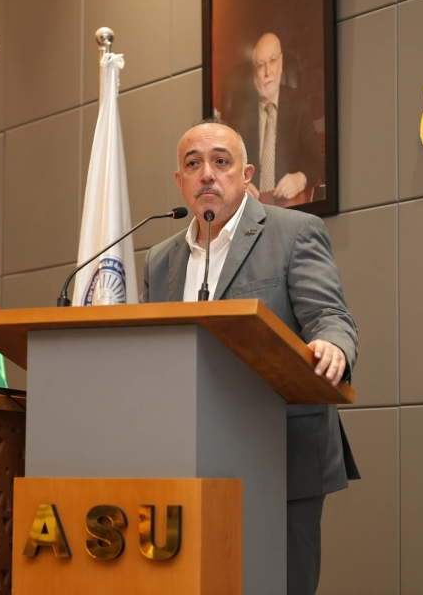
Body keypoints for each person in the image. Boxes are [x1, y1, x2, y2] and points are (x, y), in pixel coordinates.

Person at [141, 119, 359, 595]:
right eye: (193, 164)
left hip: (282, 453)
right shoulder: (159, 260)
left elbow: (329, 316)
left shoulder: (294, 231)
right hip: (186, 457)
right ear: (179, 181)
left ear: (246, 175)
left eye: (221, 161)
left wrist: (333, 347)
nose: (207, 174)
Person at [224, 32, 323, 201]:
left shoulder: (299, 103)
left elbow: (315, 159)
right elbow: (225, 163)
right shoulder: (239, 111)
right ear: (254, 72)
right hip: (251, 206)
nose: (268, 72)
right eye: (261, 65)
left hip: (289, 203)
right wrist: (239, 184)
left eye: (273, 61)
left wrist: (301, 178)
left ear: (281, 62)